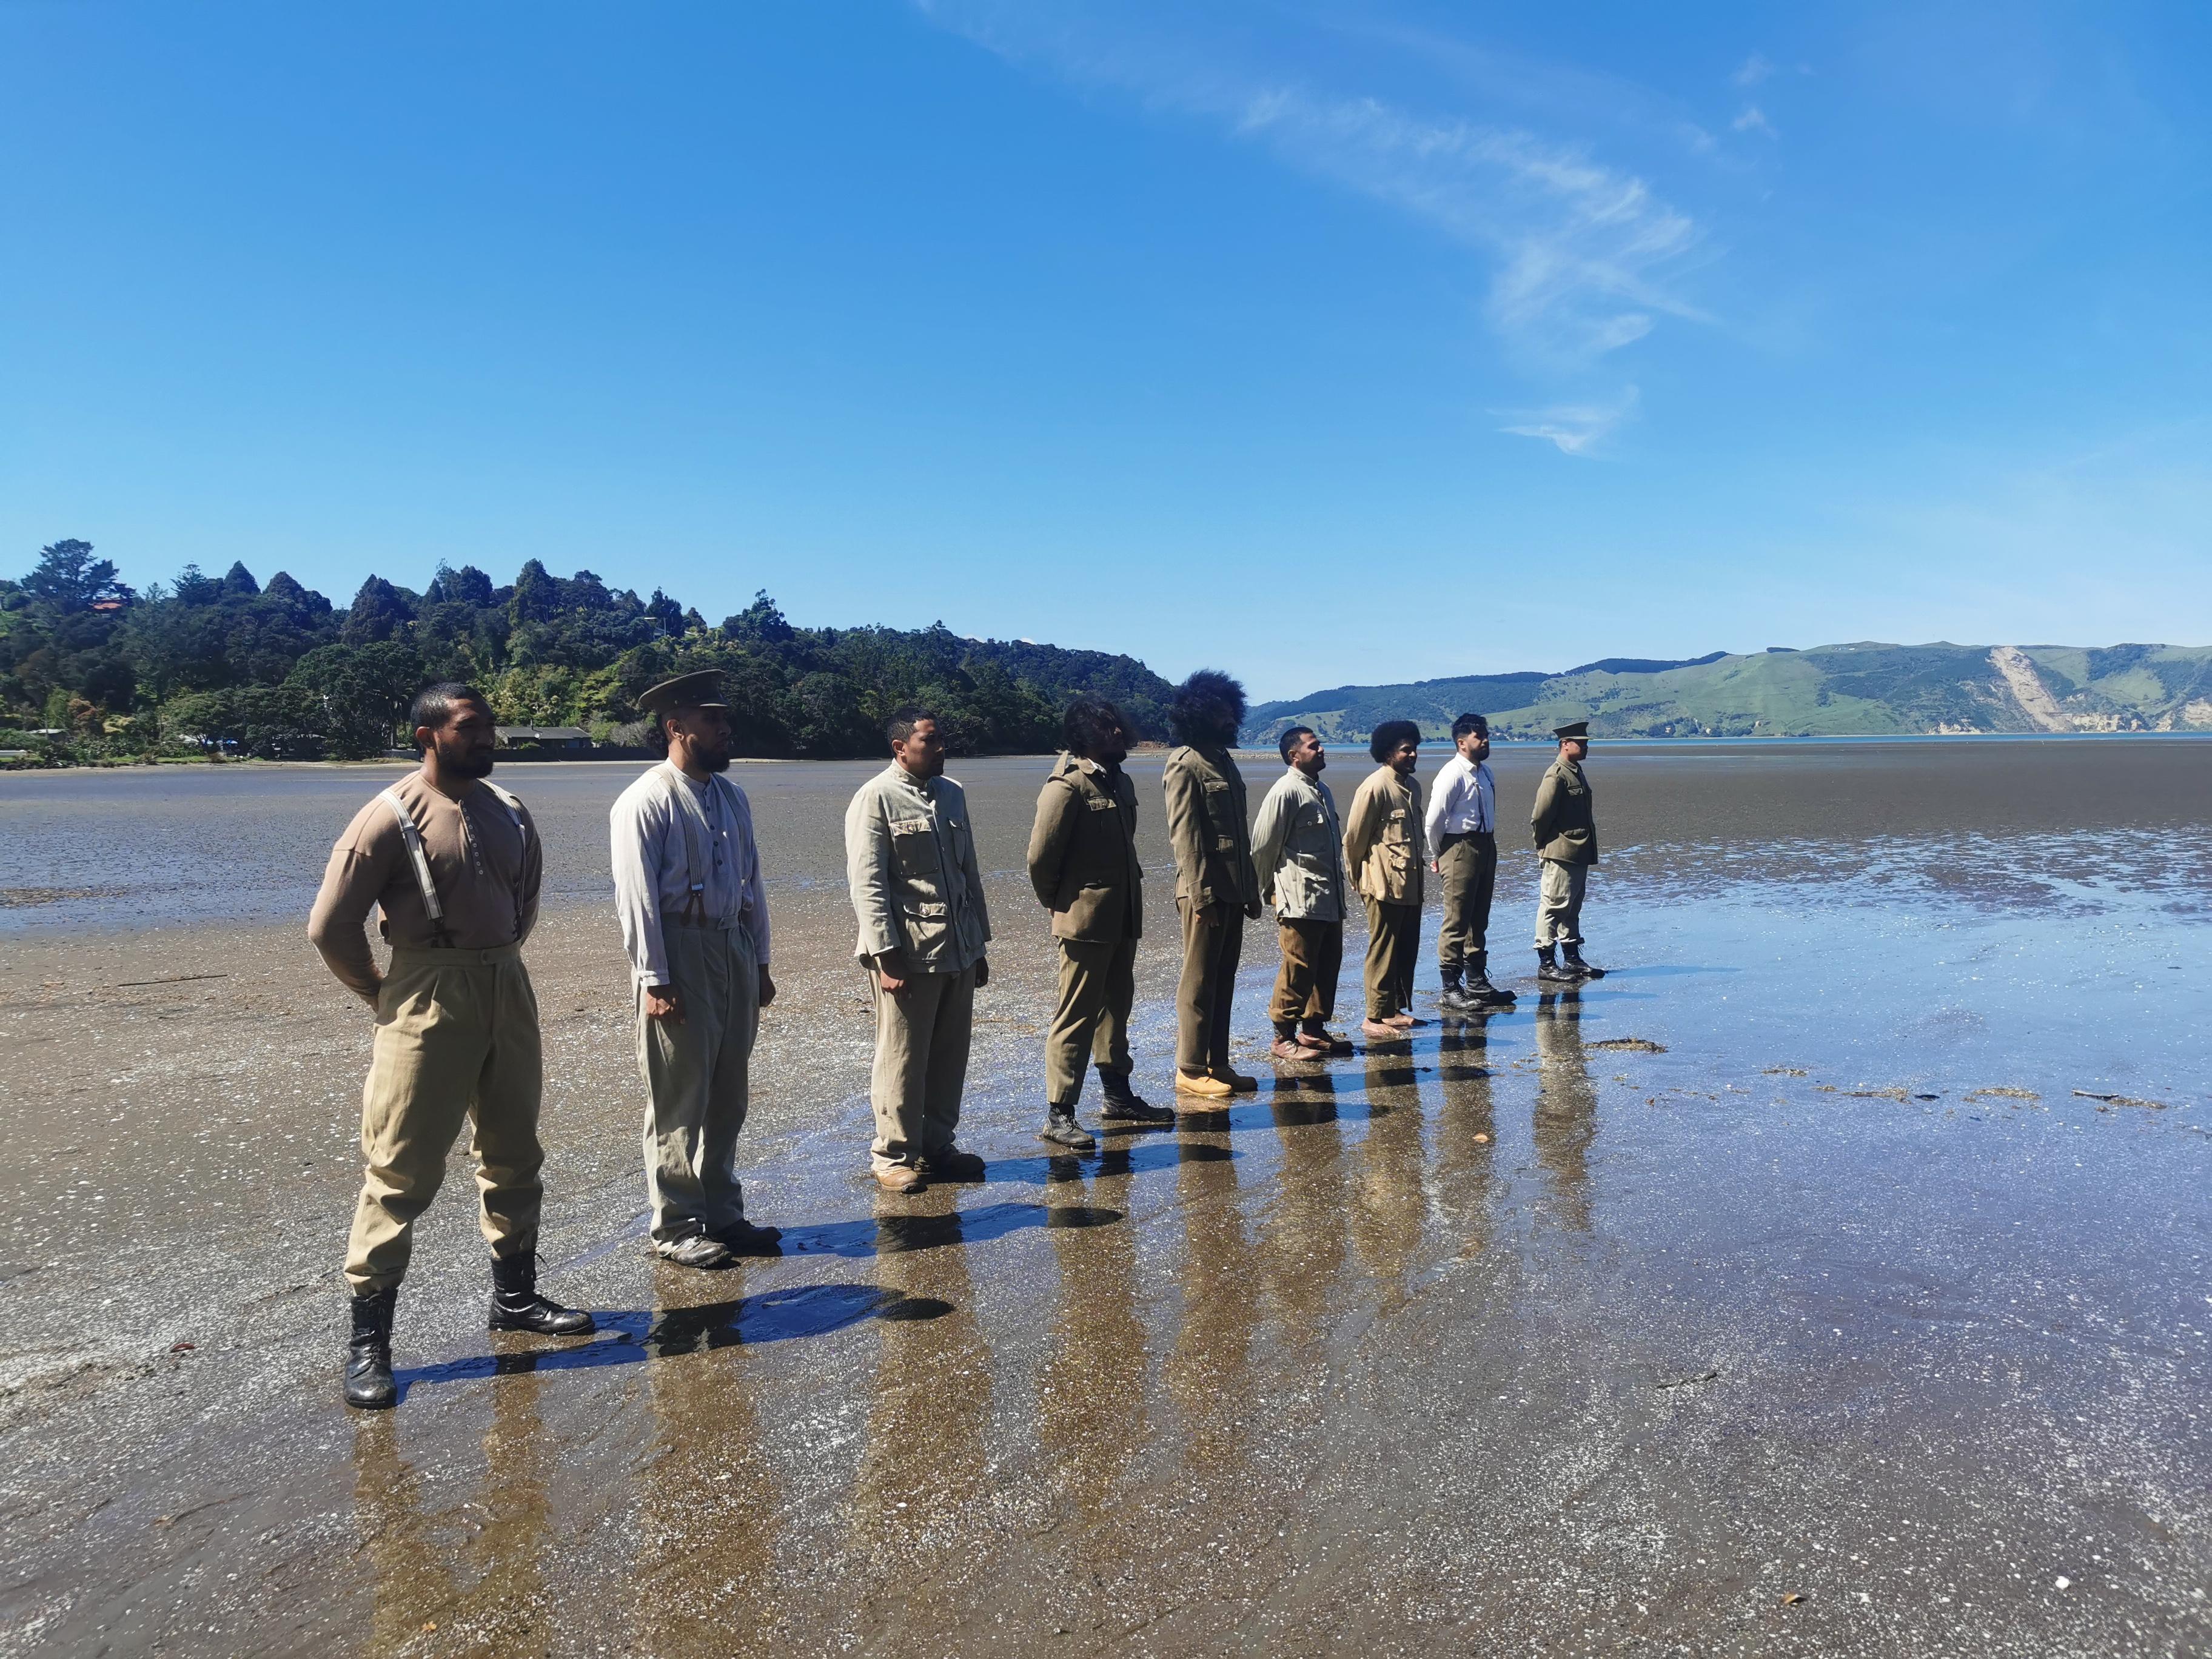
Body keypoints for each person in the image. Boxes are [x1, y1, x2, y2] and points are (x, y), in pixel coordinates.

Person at [309, 682, 593, 1411]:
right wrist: (384, 995)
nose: (488, 737)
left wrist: (495, 963)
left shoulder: (510, 812)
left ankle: (516, 1299)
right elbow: (330, 926)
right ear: (428, 734)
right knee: (399, 1169)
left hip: (506, 983)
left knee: (514, 1151)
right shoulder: (387, 816)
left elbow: (524, 902)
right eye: (471, 728)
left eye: (490, 725)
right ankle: (369, 1345)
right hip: (425, 993)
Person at [609, 669, 780, 1271]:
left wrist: (760, 961)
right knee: (679, 1093)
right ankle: (676, 1225)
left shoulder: (734, 797)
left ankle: (722, 1211)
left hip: (731, 945)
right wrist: (655, 979)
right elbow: (637, 901)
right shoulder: (645, 800)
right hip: (678, 951)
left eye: (725, 719)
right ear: (676, 727)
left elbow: (752, 884)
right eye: (713, 721)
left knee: (729, 1090)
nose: (726, 729)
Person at [845, 706, 993, 1192]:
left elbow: (969, 876)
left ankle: (936, 1144)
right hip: (909, 952)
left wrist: (980, 944)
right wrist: (884, 955)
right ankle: (893, 1156)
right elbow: (867, 885)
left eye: (940, 739)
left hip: (958, 949)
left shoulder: (953, 796)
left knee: (951, 1054)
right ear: (900, 748)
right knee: (902, 1057)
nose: (940, 748)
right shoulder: (875, 798)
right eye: (930, 741)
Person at [1026, 695, 1175, 1150]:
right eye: (1108, 727)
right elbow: (1039, 859)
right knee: (1076, 1015)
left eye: (1118, 725)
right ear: (1086, 735)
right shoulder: (1067, 786)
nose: (1118, 733)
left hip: (1122, 914)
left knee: (1116, 1010)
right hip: (1085, 921)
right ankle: (1060, 1112)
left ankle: (1118, 1096)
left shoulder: (1118, 781)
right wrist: (1061, 906)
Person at [1160, 670, 1262, 1100]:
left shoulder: (1223, 760)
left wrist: (1250, 890)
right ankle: (1189, 1067)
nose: (1227, 718)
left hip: (1233, 888)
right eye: (1218, 710)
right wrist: (1202, 896)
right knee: (1199, 982)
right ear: (1197, 713)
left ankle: (1216, 1063)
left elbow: (1239, 835)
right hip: (1205, 891)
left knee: (1224, 979)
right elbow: (1185, 838)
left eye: (1229, 709)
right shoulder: (1185, 763)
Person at [1250, 725, 1354, 1061]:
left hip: (1328, 895)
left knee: (1327, 964)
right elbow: (1264, 847)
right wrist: (1261, 892)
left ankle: (1313, 1030)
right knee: (1299, 966)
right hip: (1300, 897)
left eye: (1320, 744)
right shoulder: (1285, 791)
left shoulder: (1321, 789)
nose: (1321, 749)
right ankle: (1283, 1037)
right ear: (1295, 756)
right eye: (1314, 746)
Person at [1425, 711, 1516, 1011]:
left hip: (1485, 845)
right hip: (1459, 847)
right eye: (1479, 736)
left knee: (1480, 917)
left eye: (1485, 734)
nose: (1486, 740)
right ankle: (1450, 988)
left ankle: (1477, 983)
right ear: (1462, 743)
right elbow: (1434, 821)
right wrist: (1440, 855)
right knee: (1457, 917)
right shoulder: (1452, 774)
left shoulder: (1485, 773)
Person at [1342, 719, 1427, 1038]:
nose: (1413, 755)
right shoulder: (1375, 787)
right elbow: (1354, 839)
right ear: (1388, 752)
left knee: (1406, 948)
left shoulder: (1413, 788)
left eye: (1414, 749)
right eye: (1406, 750)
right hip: (1382, 884)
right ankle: (1374, 1016)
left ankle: (1393, 1009)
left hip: (1410, 884)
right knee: (1383, 948)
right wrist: (1356, 877)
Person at [1530, 719, 1605, 982]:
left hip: (1579, 851)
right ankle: (1547, 963)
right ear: (1565, 745)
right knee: (1553, 906)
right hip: (1561, 851)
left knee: (1572, 906)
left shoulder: (1575, 770)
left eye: (1586, 744)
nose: (1585, 748)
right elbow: (1540, 816)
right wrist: (1543, 844)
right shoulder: (1557, 774)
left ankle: (1572, 959)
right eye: (1581, 744)